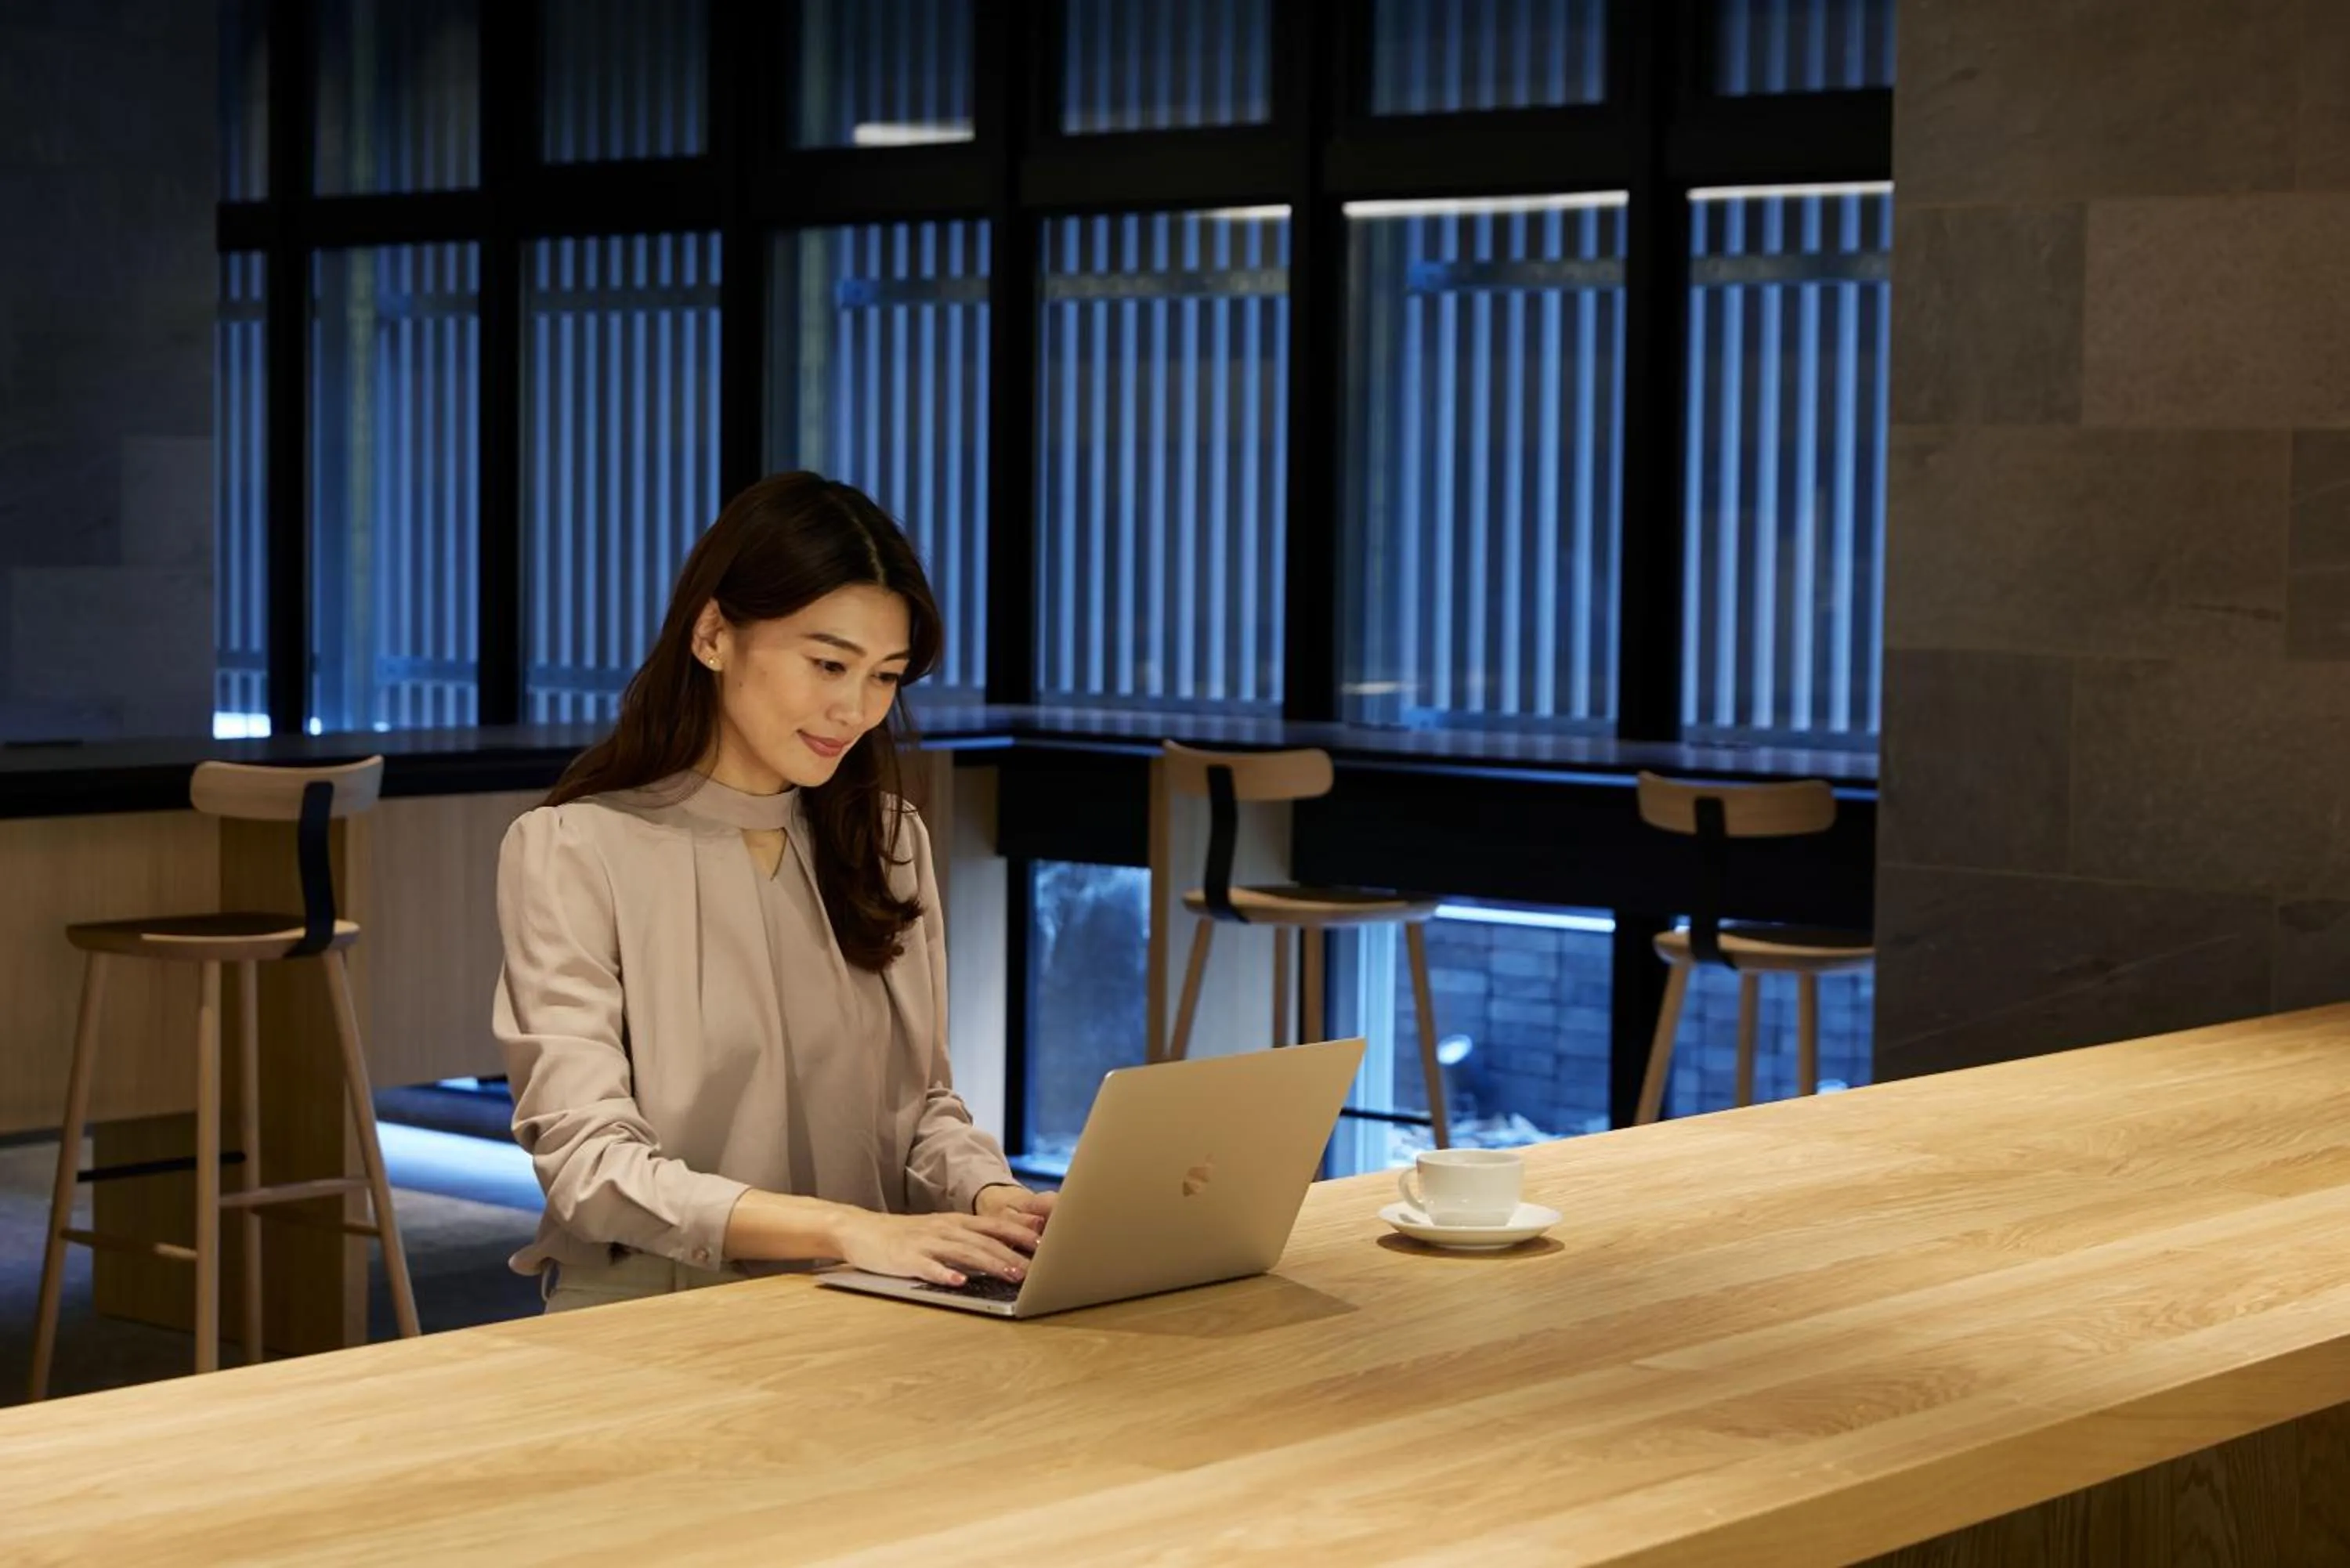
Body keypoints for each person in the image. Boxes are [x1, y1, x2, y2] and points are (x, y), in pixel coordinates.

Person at [493, 471, 1053, 1312]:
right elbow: (590, 1166)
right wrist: (844, 1229)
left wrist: (989, 1198)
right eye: (828, 662)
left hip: (872, 1294)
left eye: (885, 676)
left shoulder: (889, 841)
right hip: (656, 1310)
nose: (855, 709)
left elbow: (925, 1106)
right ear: (714, 633)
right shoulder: (574, 850)